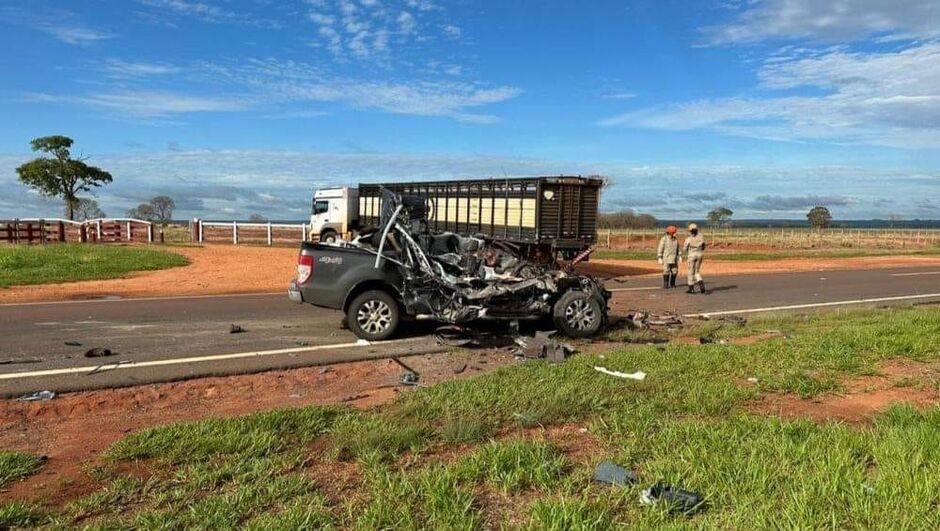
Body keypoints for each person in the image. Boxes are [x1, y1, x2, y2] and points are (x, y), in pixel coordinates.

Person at [683, 223, 706, 294]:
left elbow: (684, 249)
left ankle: (691, 289)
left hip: (692, 255)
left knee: (690, 272)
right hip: (700, 255)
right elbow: (704, 246)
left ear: (690, 230)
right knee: (697, 272)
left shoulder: (688, 239)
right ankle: (701, 283)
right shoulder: (701, 237)